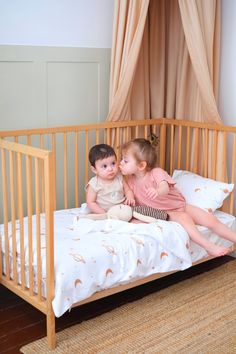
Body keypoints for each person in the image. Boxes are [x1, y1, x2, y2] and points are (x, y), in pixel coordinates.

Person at [119, 138, 236, 257]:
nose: (121, 163)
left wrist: (157, 191)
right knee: (185, 219)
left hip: (180, 205)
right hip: (166, 213)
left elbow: (164, 187)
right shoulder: (131, 182)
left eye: (125, 160)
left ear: (141, 165)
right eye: (122, 159)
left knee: (210, 220)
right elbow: (132, 200)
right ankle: (209, 246)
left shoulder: (156, 172)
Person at [86, 143, 135, 214]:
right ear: (95, 170)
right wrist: (103, 213)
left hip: (121, 210)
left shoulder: (119, 177)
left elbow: (128, 190)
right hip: (104, 212)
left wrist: (130, 197)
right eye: (104, 166)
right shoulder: (94, 183)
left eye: (113, 163)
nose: (110, 169)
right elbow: (90, 202)